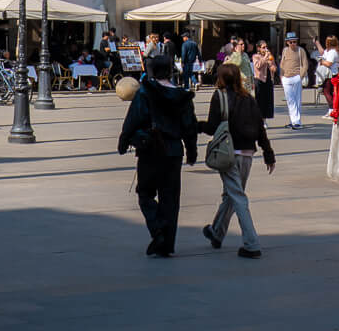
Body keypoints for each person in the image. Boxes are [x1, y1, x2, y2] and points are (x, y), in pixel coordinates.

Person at [117, 50, 198, 257]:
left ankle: (157, 228)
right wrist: (191, 150)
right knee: (170, 199)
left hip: (151, 149)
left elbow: (133, 118)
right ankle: (167, 244)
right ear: (171, 72)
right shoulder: (182, 96)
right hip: (173, 151)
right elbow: (189, 126)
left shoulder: (145, 92)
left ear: (153, 72)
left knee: (145, 193)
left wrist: (124, 141)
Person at [200, 59, 274, 258]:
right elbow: (260, 127)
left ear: (221, 79)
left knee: (238, 197)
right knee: (232, 194)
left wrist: (195, 125)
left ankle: (251, 244)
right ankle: (217, 232)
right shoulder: (249, 98)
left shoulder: (219, 97)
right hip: (248, 154)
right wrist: (268, 153)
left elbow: (212, 127)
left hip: (229, 153)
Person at [279, 33, 308, 127]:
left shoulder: (301, 51)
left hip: (296, 77)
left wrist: (300, 76)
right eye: (291, 42)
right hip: (286, 78)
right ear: (287, 42)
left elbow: (305, 64)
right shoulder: (285, 50)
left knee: (297, 100)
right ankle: (294, 121)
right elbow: (282, 63)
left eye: (295, 42)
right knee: (290, 100)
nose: (293, 44)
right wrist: (281, 76)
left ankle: (296, 121)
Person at [251, 38, 275, 121]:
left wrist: (272, 66)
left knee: (267, 101)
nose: (265, 49)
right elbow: (258, 65)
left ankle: (264, 119)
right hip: (260, 80)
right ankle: (259, 119)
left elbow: (274, 67)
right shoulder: (255, 56)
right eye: (263, 47)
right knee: (259, 101)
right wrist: (265, 57)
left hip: (268, 80)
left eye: (266, 47)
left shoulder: (269, 56)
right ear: (259, 48)